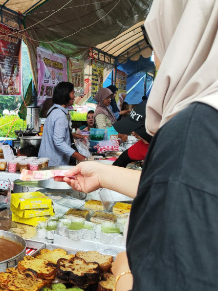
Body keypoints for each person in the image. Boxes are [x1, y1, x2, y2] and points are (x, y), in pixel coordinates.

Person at [60, 0, 218, 289]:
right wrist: (103, 173)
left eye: (158, 44)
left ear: (185, 39)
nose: (157, 59)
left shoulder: (196, 128)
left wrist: (124, 271)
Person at [37, 82, 86, 166]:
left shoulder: (54, 110)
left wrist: (71, 135)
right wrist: (78, 156)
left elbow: (55, 133)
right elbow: (58, 142)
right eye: (72, 93)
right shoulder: (60, 115)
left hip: (46, 159)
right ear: (66, 94)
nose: (74, 96)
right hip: (54, 162)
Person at [112, 101, 152, 168]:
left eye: (137, 129)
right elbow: (121, 160)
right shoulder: (143, 145)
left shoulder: (169, 149)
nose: (133, 133)